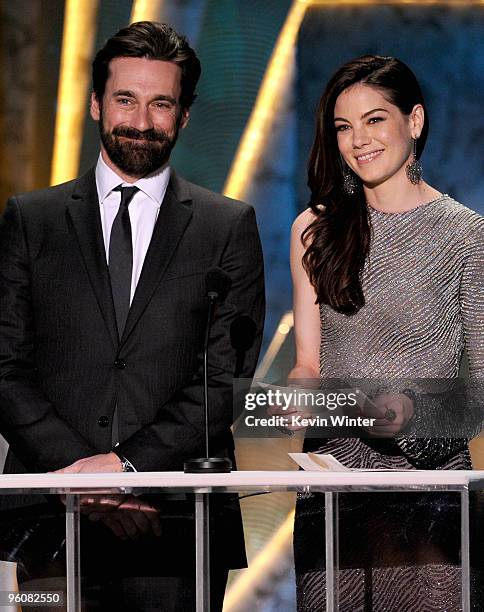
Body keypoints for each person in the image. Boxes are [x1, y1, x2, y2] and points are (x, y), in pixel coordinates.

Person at [0, 21, 265, 611]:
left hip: (175, 519)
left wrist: (127, 466)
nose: (141, 122)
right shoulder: (31, 220)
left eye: (160, 103)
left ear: (185, 115)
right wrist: (82, 477)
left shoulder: (228, 226)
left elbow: (226, 377)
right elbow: (4, 368)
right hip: (50, 517)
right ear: (96, 103)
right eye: (125, 99)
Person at [288, 55, 483, 610]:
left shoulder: (467, 236)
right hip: (334, 486)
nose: (358, 141)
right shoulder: (315, 230)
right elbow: (309, 363)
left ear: (414, 121)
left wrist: (390, 410)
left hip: (429, 492)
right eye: (343, 127)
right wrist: (296, 401)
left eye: (375, 120)